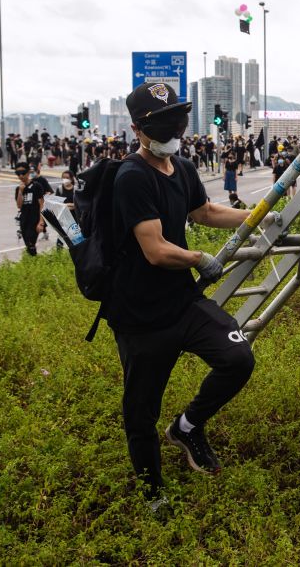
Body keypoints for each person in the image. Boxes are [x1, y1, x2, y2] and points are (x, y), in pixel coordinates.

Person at [110, 82, 255, 504]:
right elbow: (154, 250)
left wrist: (257, 216)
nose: (175, 127)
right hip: (140, 315)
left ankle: (187, 427)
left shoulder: (183, 167)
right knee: (141, 411)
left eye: (178, 117)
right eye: (164, 121)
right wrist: (196, 259)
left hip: (181, 301)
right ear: (138, 129)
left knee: (237, 359)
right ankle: (153, 494)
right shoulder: (132, 177)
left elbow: (205, 211)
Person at [14, 162, 45, 256]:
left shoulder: (36, 186)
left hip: (35, 219)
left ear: (28, 172)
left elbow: (42, 204)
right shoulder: (18, 188)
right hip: (24, 220)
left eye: (23, 173)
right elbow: (19, 206)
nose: (21, 176)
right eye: (18, 174)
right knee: (28, 245)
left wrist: (41, 222)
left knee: (31, 244)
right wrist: (20, 191)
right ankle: (32, 263)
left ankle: (34, 263)